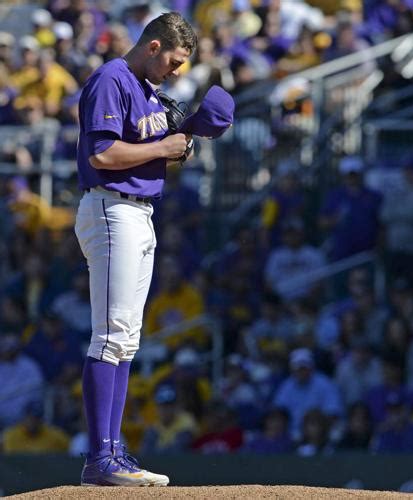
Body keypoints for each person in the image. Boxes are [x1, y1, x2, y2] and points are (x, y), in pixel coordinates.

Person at [74, 12, 198, 487]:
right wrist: (162, 147)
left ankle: (112, 451)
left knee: (125, 337)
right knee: (110, 336)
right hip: (111, 207)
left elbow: (143, 147)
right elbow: (103, 155)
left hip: (138, 211)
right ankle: (99, 457)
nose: (176, 71)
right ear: (153, 46)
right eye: (174, 59)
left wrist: (180, 142)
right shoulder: (113, 78)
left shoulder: (145, 89)